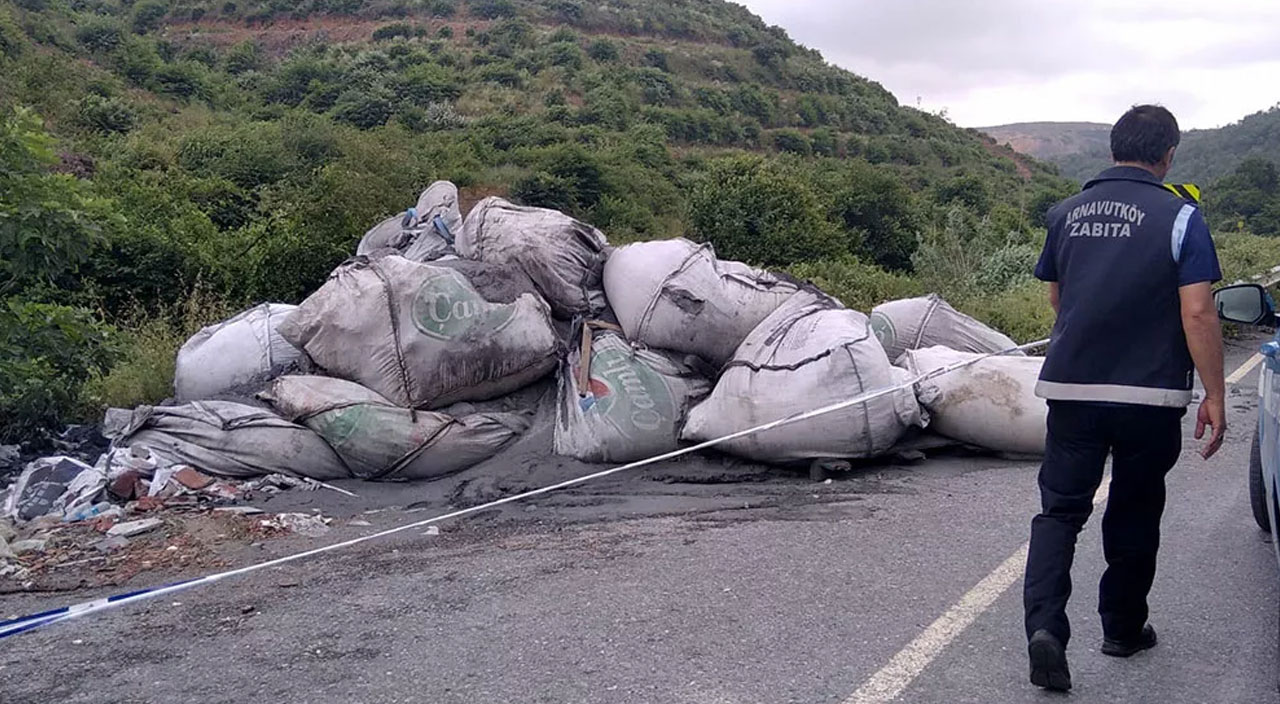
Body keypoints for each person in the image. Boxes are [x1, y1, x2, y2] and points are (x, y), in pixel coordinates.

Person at [1023, 104, 1226, 691]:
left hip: (1071, 387)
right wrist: (1214, 392)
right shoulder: (1181, 217)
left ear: (1112, 149)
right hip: (1149, 395)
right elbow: (1198, 310)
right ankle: (1122, 628)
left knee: (1059, 511)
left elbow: (1060, 301)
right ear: (1168, 156)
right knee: (1136, 506)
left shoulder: (1064, 214)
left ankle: (1046, 631)